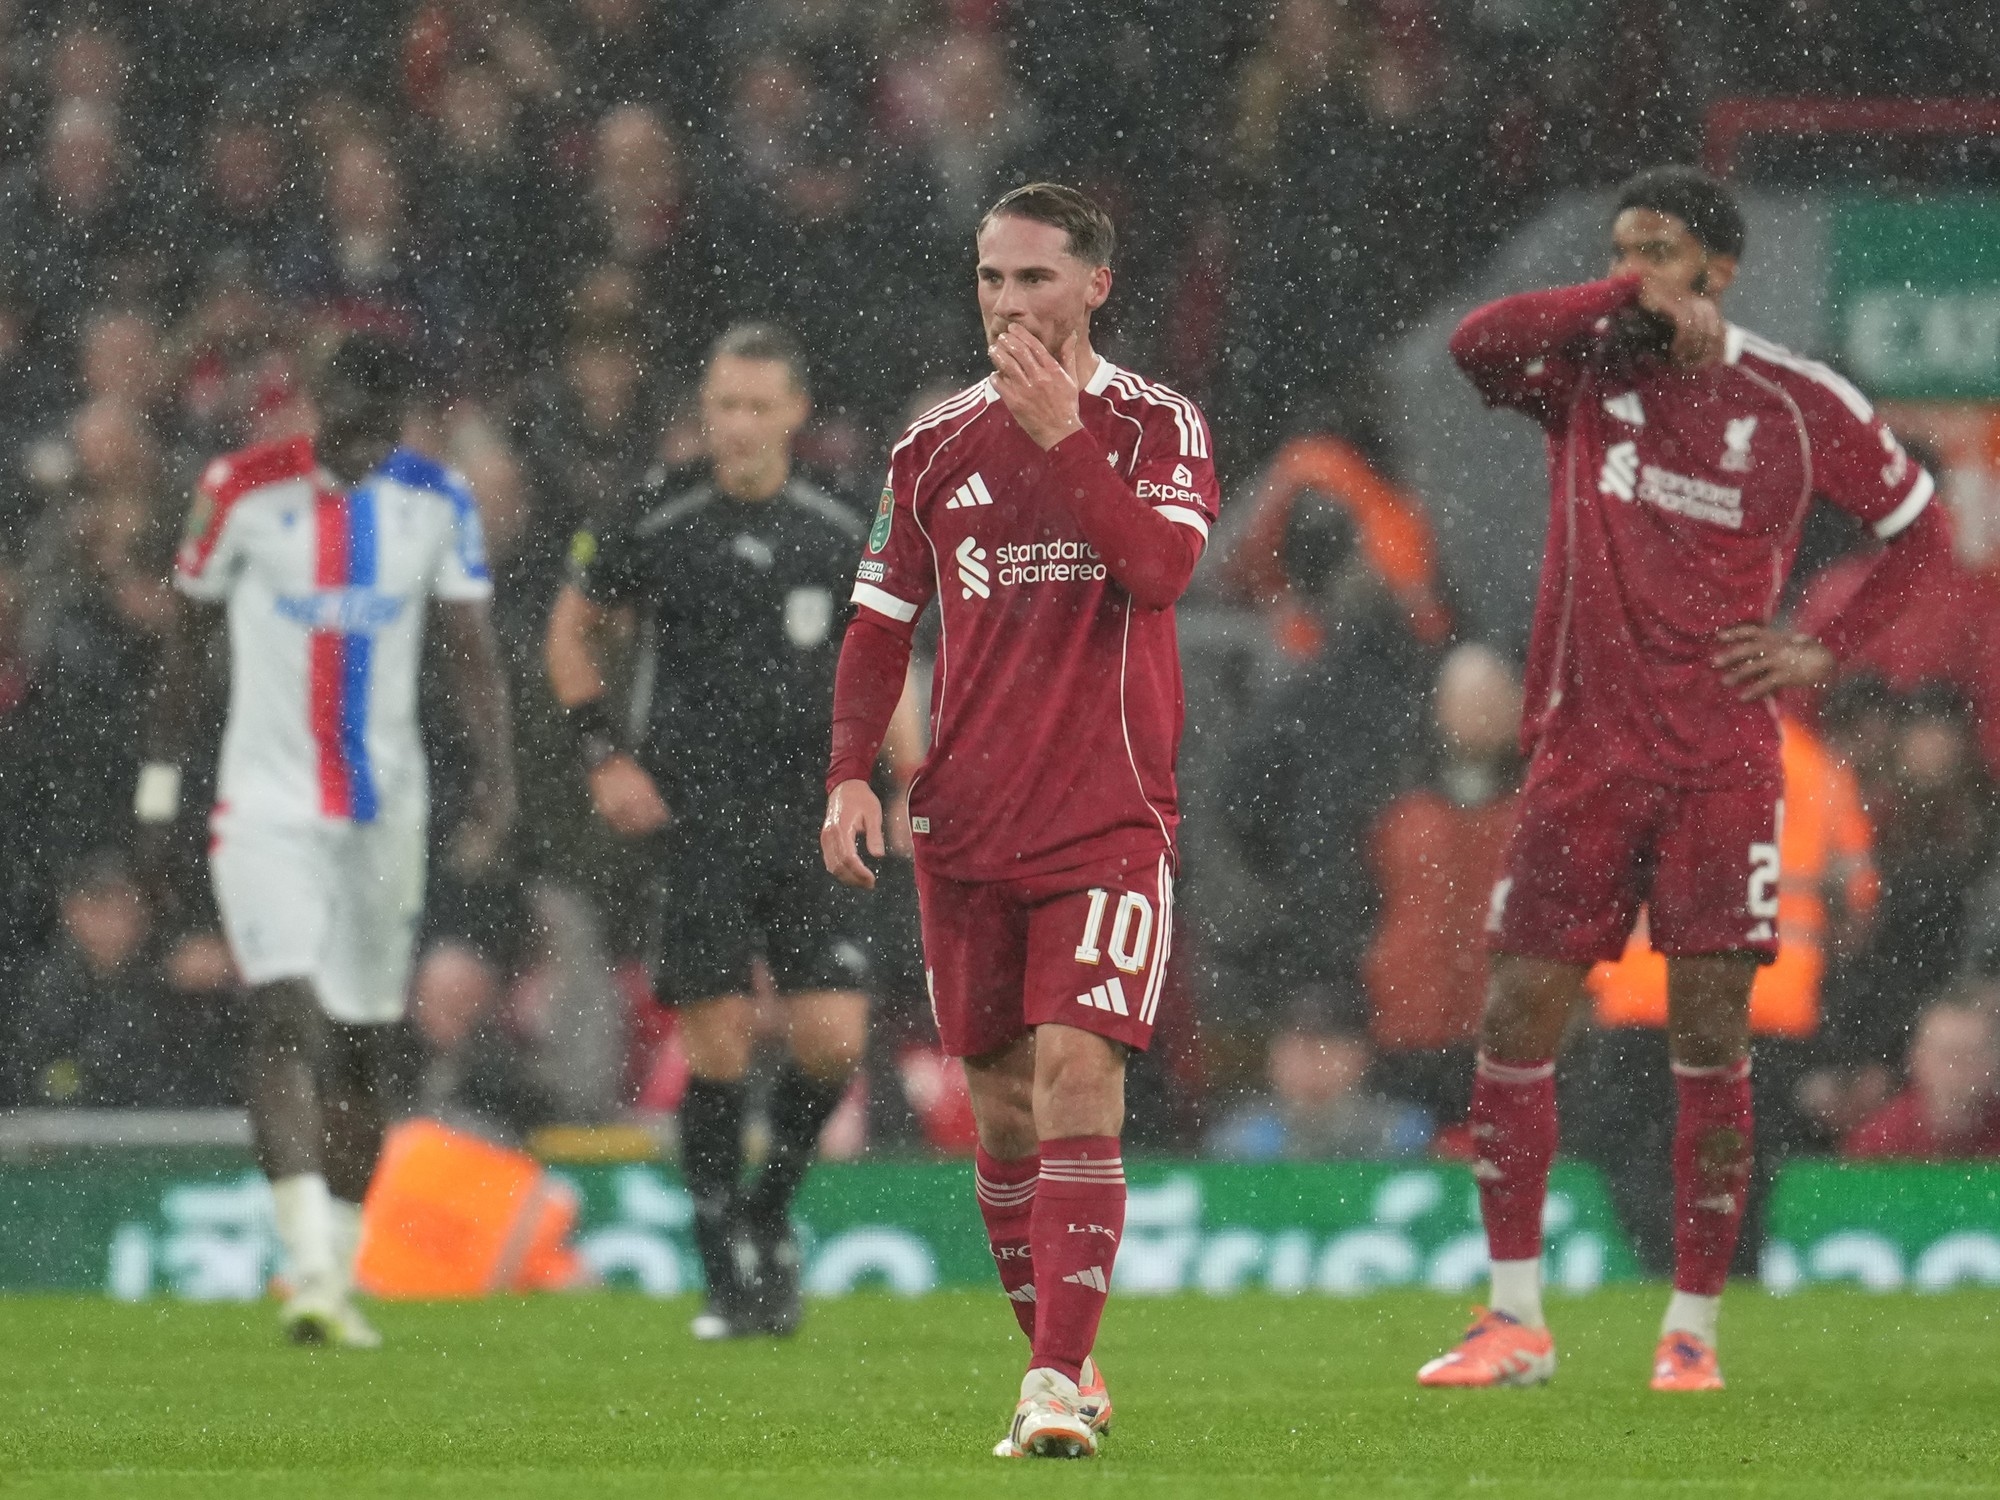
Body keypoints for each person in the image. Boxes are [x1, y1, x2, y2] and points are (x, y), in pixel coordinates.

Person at [1416, 166, 1948, 1393]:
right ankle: (1513, 1320)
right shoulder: (1586, 373)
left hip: (1719, 762)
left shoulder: (1795, 399)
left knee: (1710, 1042)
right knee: (1515, 1017)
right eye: (1617, 248)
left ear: (1719, 268)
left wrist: (1829, 643)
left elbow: (1919, 529)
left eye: (1656, 249)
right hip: (1582, 754)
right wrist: (1610, 295)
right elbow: (1471, 342)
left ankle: (1692, 1330)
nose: (1631, 270)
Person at [821, 182, 1220, 1459]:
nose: (1006, 304)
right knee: (996, 1110)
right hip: (963, 821)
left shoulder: (1157, 426)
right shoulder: (929, 445)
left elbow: (1158, 575)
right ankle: (1070, 1366)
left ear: (1095, 283)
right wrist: (847, 774)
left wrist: (1063, 440)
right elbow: (881, 623)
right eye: (990, 281)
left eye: (1033, 280)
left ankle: (1047, 1383)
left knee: (1076, 1069)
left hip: (1107, 815)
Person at [137, 338, 516, 1347]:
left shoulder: (436, 500)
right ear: (316, 404)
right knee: (283, 1014)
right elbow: (186, 637)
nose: (359, 446)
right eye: (344, 424)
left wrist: (497, 778)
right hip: (264, 805)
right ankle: (304, 1264)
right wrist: (156, 785)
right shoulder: (239, 491)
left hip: (384, 812)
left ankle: (334, 1275)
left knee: (360, 1045)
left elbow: (470, 647)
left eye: (377, 430)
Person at [546, 322, 873, 1342]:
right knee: (719, 1043)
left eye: (754, 406)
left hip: (811, 812)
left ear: (793, 414)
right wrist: (604, 752)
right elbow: (570, 631)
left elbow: (881, 656)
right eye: (720, 404)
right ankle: (721, 1265)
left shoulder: (836, 519)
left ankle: (768, 1209)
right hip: (700, 819)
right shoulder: (654, 512)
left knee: (832, 1040)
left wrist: (895, 784)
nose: (734, 424)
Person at [1844, 992, 2000, 1160]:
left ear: (1994, 1062)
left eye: (1973, 1054)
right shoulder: (1881, 1140)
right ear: (1916, 1058)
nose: (1958, 1068)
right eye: (1947, 1054)